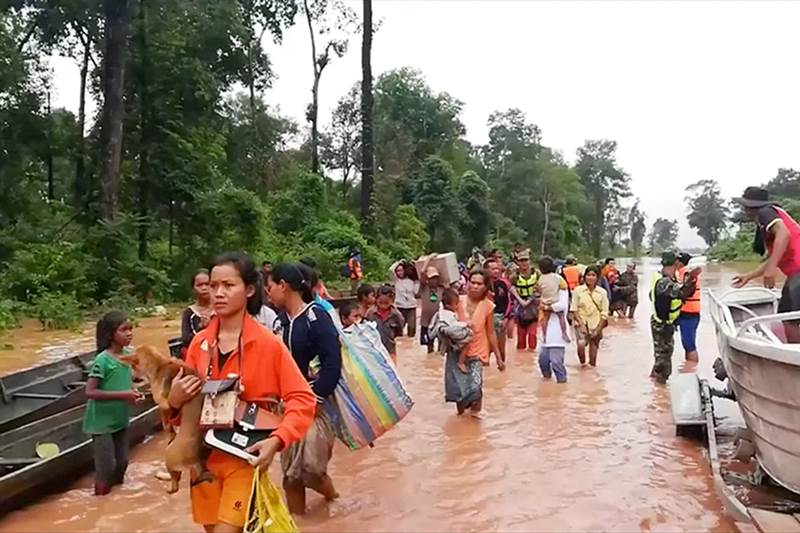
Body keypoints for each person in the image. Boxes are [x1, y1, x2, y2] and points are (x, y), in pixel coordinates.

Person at [168, 253, 316, 531]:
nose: (218, 293)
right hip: (203, 459)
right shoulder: (199, 344)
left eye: (228, 285)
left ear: (249, 290)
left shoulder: (268, 344)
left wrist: (277, 440)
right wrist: (174, 401)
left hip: (244, 456)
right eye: (213, 286)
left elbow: (302, 398)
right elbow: (181, 415)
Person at [269, 262, 343, 515]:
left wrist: (316, 397)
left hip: (314, 404)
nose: (268, 293)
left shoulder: (316, 317)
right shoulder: (279, 323)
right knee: (290, 476)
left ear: (283, 285)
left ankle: (333, 498)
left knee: (311, 470)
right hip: (285, 406)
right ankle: (298, 523)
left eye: (270, 287)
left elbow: (333, 362)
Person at [83, 311, 142, 496]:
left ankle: (115, 500)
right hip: (101, 423)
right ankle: (100, 499)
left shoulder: (130, 355)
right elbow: (90, 391)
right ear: (110, 335)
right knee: (106, 468)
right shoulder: (102, 360)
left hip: (120, 419)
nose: (129, 333)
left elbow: (128, 380)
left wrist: (134, 392)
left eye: (131, 329)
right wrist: (124, 394)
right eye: (124, 330)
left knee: (122, 463)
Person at [732, 186, 800, 342]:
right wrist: (750, 276)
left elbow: (784, 234)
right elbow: (776, 256)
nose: (743, 209)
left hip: (798, 271)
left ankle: (793, 359)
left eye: (744, 206)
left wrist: (770, 270)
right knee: (788, 316)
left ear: (750, 206)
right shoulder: (767, 219)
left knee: (791, 319)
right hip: (795, 272)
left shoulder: (765, 212)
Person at [444, 270, 502, 418]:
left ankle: (476, 420)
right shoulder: (457, 301)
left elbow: (490, 332)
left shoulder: (489, 306)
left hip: (478, 351)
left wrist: (498, 357)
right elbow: (445, 320)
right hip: (457, 351)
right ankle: (463, 424)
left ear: (485, 287)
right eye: (473, 282)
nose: (475, 286)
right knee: (459, 391)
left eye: (479, 283)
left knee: (476, 389)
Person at [649, 252, 700, 384]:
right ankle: (659, 395)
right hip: (662, 325)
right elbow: (681, 292)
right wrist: (691, 279)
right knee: (664, 364)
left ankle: (653, 385)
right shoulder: (664, 281)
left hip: (664, 323)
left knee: (662, 358)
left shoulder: (663, 276)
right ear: (676, 263)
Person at [571, 265, 610, 367]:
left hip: (596, 324)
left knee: (593, 361)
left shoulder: (602, 292)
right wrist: (581, 325)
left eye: (593, 275)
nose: (590, 278)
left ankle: (590, 374)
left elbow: (605, 313)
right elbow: (574, 309)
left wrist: (598, 329)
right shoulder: (578, 290)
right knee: (581, 345)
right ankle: (582, 365)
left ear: (597, 277)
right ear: (584, 277)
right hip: (581, 323)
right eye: (588, 275)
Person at [538, 270, 571, 383]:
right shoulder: (543, 286)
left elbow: (562, 305)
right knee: (543, 361)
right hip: (546, 331)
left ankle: (562, 383)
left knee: (556, 362)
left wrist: (547, 307)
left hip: (557, 332)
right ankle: (547, 387)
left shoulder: (562, 290)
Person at [431, 288, 473, 372]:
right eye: (456, 304)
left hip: (445, 333)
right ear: (448, 306)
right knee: (468, 341)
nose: (457, 306)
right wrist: (466, 324)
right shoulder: (449, 315)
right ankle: (461, 362)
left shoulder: (441, 312)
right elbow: (454, 325)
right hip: (450, 332)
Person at [365, 284, 405, 362]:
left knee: (392, 370)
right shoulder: (370, 313)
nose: (383, 306)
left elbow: (399, 329)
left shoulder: (396, 315)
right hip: (374, 348)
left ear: (392, 301)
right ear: (376, 300)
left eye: (386, 303)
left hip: (390, 348)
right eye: (380, 302)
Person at [537, 256, 570, 343]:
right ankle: (564, 333)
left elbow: (539, 290)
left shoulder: (540, 279)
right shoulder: (557, 277)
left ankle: (544, 336)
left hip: (545, 303)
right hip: (555, 302)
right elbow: (564, 287)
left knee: (545, 319)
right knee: (561, 317)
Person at [511, 251, 539, 352]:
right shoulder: (514, 275)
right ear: (517, 262)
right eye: (521, 260)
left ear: (529, 261)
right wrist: (521, 301)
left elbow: (542, 287)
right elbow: (511, 288)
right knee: (521, 342)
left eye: (525, 260)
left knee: (532, 336)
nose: (524, 263)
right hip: (520, 309)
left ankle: (530, 359)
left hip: (534, 308)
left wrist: (532, 299)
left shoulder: (536, 273)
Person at [485, 258, 511, 367]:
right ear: (486, 270)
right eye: (492, 269)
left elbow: (509, 302)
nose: (496, 271)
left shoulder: (503, 284)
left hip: (500, 318)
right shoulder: (482, 285)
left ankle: (501, 370)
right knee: (485, 349)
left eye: (497, 268)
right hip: (486, 320)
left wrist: (506, 318)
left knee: (501, 350)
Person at [675, 253, 700, 362]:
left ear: (680, 262)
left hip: (688, 313)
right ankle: (689, 369)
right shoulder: (685, 272)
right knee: (688, 344)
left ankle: (692, 370)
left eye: (676, 260)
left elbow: (684, 291)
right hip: (692, 312)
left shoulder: (685, 273)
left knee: (689, 345)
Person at [181, 270, 214, 350]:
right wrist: (201, 327)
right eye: (199, 285)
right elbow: (186, 341)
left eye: (207, 284)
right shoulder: (189, 313)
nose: (204, 288)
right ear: (193, 289)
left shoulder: (221, 309)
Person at [419, 264, 445, 354]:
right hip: (426, 321)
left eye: (435, 278)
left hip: (439, 320)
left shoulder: (441, 289)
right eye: (431, 278)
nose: (433, 280)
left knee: (441, 344)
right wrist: (429, 259)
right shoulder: (424, 288)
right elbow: (422, 272)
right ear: (427, 279)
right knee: (429, 344)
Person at [389, 260, 419, 338]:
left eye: (401, 270)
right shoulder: (396, 281)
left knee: (412, 329)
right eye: (398, 271)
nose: (400, 273)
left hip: (411, 307)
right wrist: (399, 262)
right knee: (398, 330)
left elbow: (416, 292)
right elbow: (390, 270)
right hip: (399, 307)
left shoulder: (413, 281)